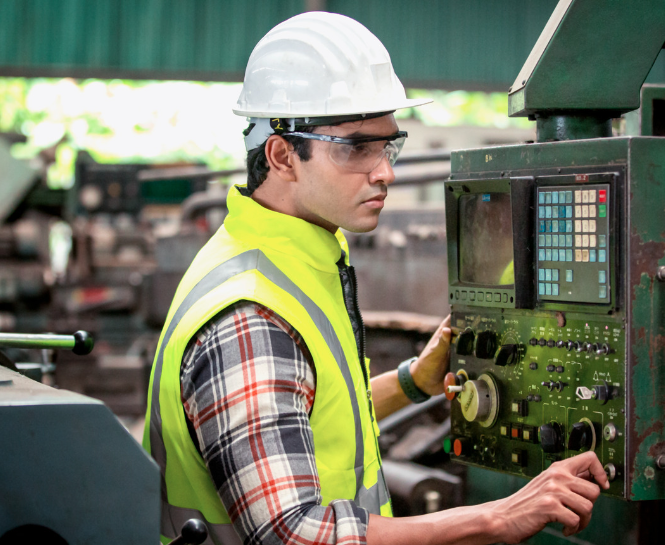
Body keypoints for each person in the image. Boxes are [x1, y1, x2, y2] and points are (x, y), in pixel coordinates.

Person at [143, 11, 609, 545]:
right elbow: (294, 534)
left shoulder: (286, 258)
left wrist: (414, 383)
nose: (385, 171)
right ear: (281, 155)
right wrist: (495, 518)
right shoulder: (251, 316)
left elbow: (306, 415)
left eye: (388, 146)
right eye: (356, 149)